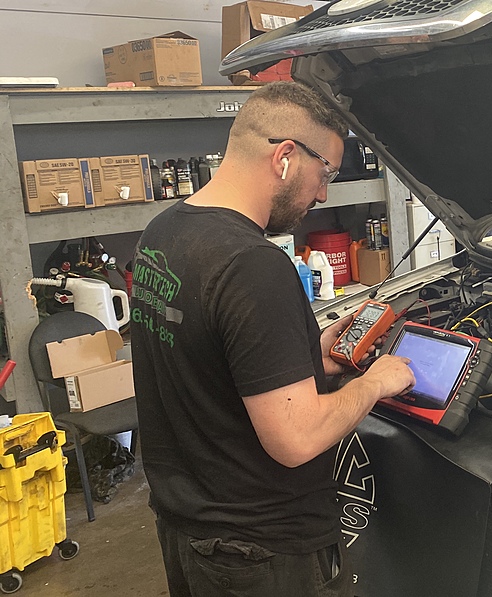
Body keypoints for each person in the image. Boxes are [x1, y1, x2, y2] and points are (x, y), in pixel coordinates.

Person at [129, 81, 415, 596]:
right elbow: (296, 439)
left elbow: (206, 365)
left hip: (187, 531)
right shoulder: (253, 266)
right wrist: (374, 383)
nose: (324, 193)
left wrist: (307, 357)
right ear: (285, 157)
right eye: (325, 172)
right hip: (259, 554)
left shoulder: (163, 231)